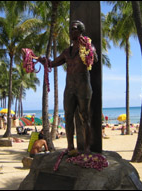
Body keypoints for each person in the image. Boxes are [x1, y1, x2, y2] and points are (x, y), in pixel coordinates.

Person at [38, 20, 98, 153]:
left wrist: (88, 48)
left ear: (80, 31)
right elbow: (53, 63)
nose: (71, 32)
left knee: (85, 116)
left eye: (74, 29)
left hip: (83, 85)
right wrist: (43, 61)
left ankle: (87, 148)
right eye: (70, 29)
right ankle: (70, 146)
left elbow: (95, 59)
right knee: (68, 115)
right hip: (69, 87)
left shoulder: (87, 47)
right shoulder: (67, 52)